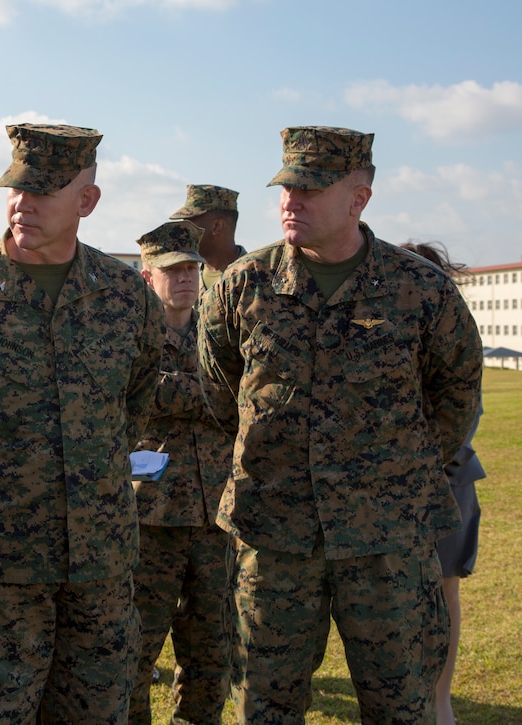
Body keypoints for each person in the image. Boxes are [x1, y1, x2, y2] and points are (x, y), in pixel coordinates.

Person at [198, 126, 483, 723]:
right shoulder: (244, 285)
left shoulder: (420, 291)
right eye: (284, 188)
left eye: (308, 190)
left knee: (400, 704)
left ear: (359, 198)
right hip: (273, 537)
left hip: (387, 541)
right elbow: (223, 390)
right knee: (264, 705)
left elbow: (454, 400)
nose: (289, 202)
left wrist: (393, 472)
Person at [0, 123, 166, 724]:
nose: (23, 204)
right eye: (16, 189)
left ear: (87, 202)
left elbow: (136, 399)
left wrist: (91, 472)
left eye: (43, 192)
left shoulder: (125, 297)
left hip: (99, 564)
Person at [130, 220, 232, 725]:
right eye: (173, 270)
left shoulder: (220, 331)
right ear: (149, 276)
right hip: (151, 518)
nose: (186, 278)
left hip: (216, 516)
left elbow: (242, 396)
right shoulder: (130, 336)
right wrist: (202, 394)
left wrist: (176, 392)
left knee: (212, 650)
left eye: (192, 267)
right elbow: (140, 393)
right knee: (136, 648)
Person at [400, 240, 485, 725]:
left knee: (444, 595)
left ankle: (441, 702)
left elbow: (465, 414)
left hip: (447, 483)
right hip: (383, 491)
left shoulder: (459, 334)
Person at [169, 184, 245, 291]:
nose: (183, 233)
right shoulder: (186, 280)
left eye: (190, 225)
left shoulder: (255, 278)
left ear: (216, 226)